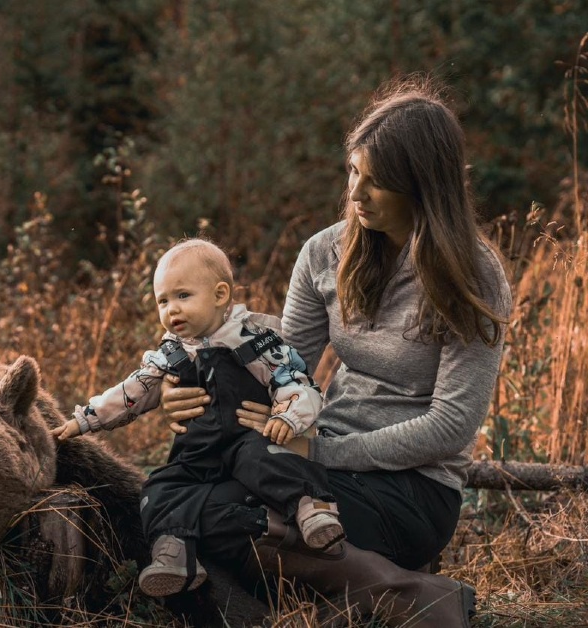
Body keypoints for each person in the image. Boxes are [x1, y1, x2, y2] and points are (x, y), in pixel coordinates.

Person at [159, 78, 511, 626]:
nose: (356, 194)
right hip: (320, 460)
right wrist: (184, 390)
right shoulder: (323, 252)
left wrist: (318, 454)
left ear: (422, 184)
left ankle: (407, 596)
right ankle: (392, 591)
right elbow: (274, 367)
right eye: (353, 172)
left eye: (377, 182)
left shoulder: (474, 275)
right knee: (181, 499)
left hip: (413, 487)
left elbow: (450, 427)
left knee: (227, 516)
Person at [50, 238, 344, 598]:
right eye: (163, 300)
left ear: (220, 295)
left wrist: (288, 416)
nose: (172, 310)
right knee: (160, 487)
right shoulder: (170, 353)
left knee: (268, 458)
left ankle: (311, 507)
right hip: (198, 452)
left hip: (246, 439)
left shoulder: (254, 340)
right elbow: (130, 393)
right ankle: (175, 555)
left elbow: (296, 382)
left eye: (183, 296)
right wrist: (86, 420)